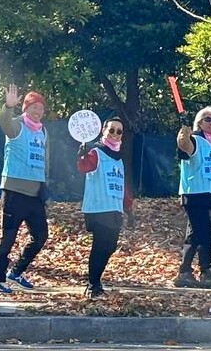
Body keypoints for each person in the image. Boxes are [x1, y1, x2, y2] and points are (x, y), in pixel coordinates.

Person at [0, 85, 50, 294]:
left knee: (41, 236)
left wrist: (44, 184)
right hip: (14, 191)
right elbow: (3, 121)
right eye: (34, 107)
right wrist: (8, 106)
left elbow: (45, 160)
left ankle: (15, 272)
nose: (38, 111)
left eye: (41, 108)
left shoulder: (43, 131)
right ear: (26, 108)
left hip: (35, 194)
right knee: (8, 237)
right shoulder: (16, 126)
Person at [173, 106, 211, 288]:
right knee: (206, 232)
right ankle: (206, 272)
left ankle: (184, 273)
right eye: (208, 119)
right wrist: (184, 133)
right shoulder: (195, 140)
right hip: (193, 194)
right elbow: (184, 149)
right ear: (199, 122)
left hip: (206, 197)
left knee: (194, 234)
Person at [77, 117, 133, 298]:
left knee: (110, 246)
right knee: (100, 245)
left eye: (119, 131)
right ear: (104, 131)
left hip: (114, 208)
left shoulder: (119, 158)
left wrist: (128, 207)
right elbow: (84, 167)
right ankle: (92, 284)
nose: (115, 134)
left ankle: (96, 281)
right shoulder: (96, 152)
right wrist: (81, 156)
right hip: (98, 208)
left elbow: (122, 184)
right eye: (111, 130)